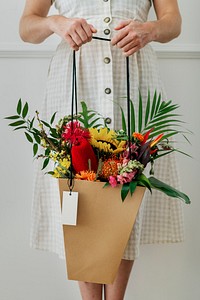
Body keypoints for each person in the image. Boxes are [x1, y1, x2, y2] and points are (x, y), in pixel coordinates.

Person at [19, 1, 183, 299]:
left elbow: (173, 22)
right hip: (75, 81)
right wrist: (56, 23)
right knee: (78, 191)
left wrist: (149, 30)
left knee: (128, 186)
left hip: (133, 82)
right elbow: (27, 27)